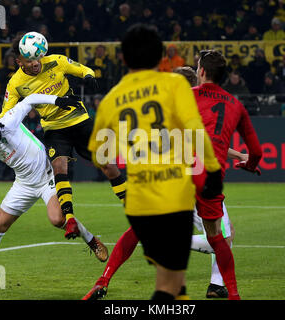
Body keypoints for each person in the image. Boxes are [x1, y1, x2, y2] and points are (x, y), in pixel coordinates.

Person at [86, 24, 223, 300]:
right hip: (180, 183)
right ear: (160, 56)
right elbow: (197, 132)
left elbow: (100, 155)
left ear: (124, 59)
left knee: (141, 237)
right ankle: (216, 284)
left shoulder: (113, 98)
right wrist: (213, 171)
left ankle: (103, 280)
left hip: (142, 189)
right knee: (207, 251)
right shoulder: (173, 86)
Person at [0, 94, 108, 284]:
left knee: (57, 219)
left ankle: (91, 240)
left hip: (47, 176)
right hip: (24, 184)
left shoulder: (6, 121)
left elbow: (29, 99)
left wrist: (57, 100)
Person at [0, 32, 127, 242]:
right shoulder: (15, 84)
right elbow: (6, 112)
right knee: (59, 166)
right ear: (19, 61)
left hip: (80, 121)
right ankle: (70, 219)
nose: (35, 63)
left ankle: (132, 206)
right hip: (55, 129)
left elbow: (82, 68)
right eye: (30, 61)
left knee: (108, 166)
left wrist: (89, 76)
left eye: (37, 58)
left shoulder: (56, 61)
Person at [190, 49, 262, 300]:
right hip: (207, 179)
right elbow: (257, 151)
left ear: (201, 71)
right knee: (223, 235)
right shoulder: (234, 104)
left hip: (178, 175)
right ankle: (227, 290)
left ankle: (217, 285)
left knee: (222, 234)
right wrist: (249, 161)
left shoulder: (188, 98)